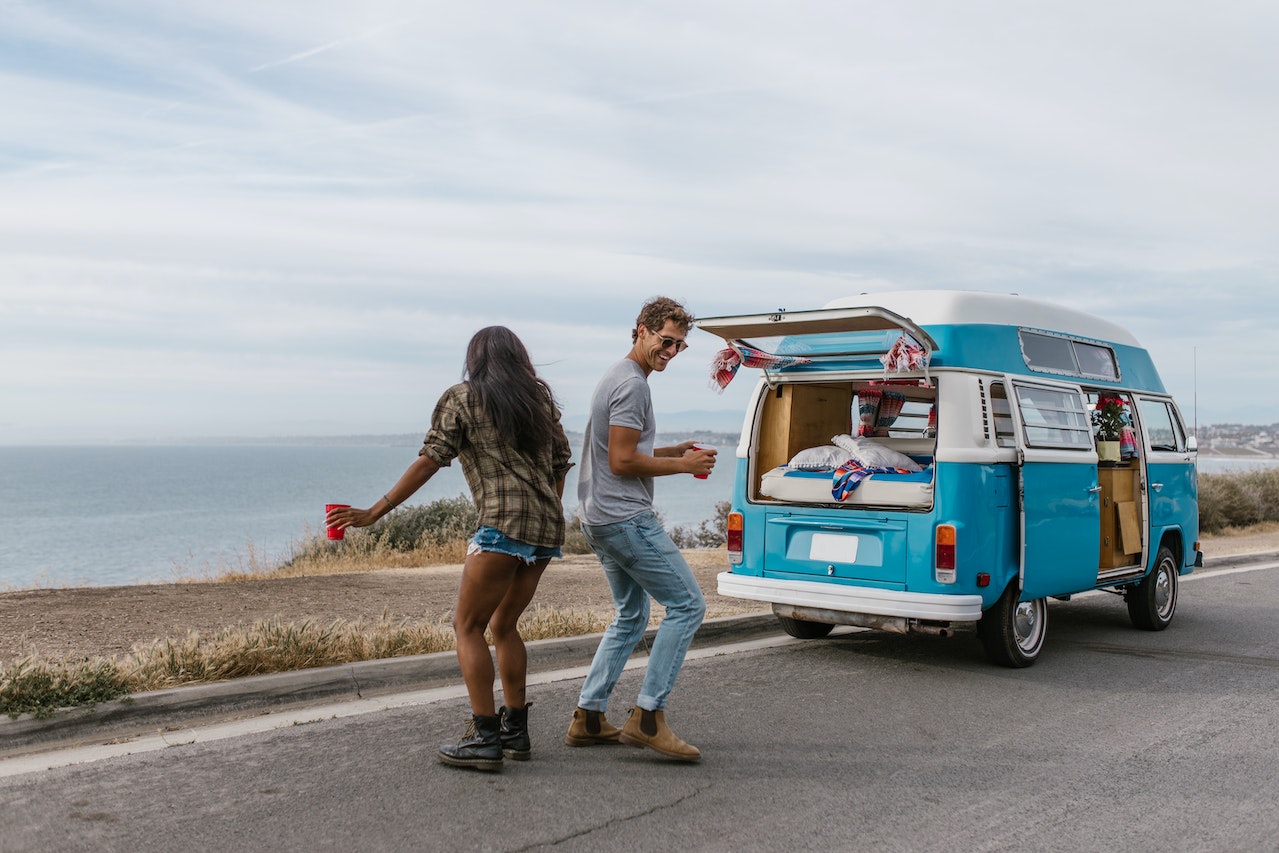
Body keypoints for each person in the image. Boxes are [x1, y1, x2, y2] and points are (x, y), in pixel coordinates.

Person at [326, 326, 573, 772]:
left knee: (467, 626)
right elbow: (560, 466)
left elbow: (431, 459)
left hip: (501, 523)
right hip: (546, 527)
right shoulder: (539, 403)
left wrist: (375, 512)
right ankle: (516, 733)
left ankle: (485, 739)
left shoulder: (462, 398)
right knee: (505, 625)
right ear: (520, 358)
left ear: (475, 359)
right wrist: (544, 513)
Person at [564, 296, 716, 762]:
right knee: (688, 605)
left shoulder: (618, 375)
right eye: (665, 341)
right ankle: (648, 717)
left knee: (631, 616)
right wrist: (685, 467)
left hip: (598, 517)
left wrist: (671, 452)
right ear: (642, 331)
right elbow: (622, 459)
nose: (670, 351)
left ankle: (588, 717)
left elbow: (625, 447)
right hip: (625, 519)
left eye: (680, 346)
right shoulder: (633, 385)